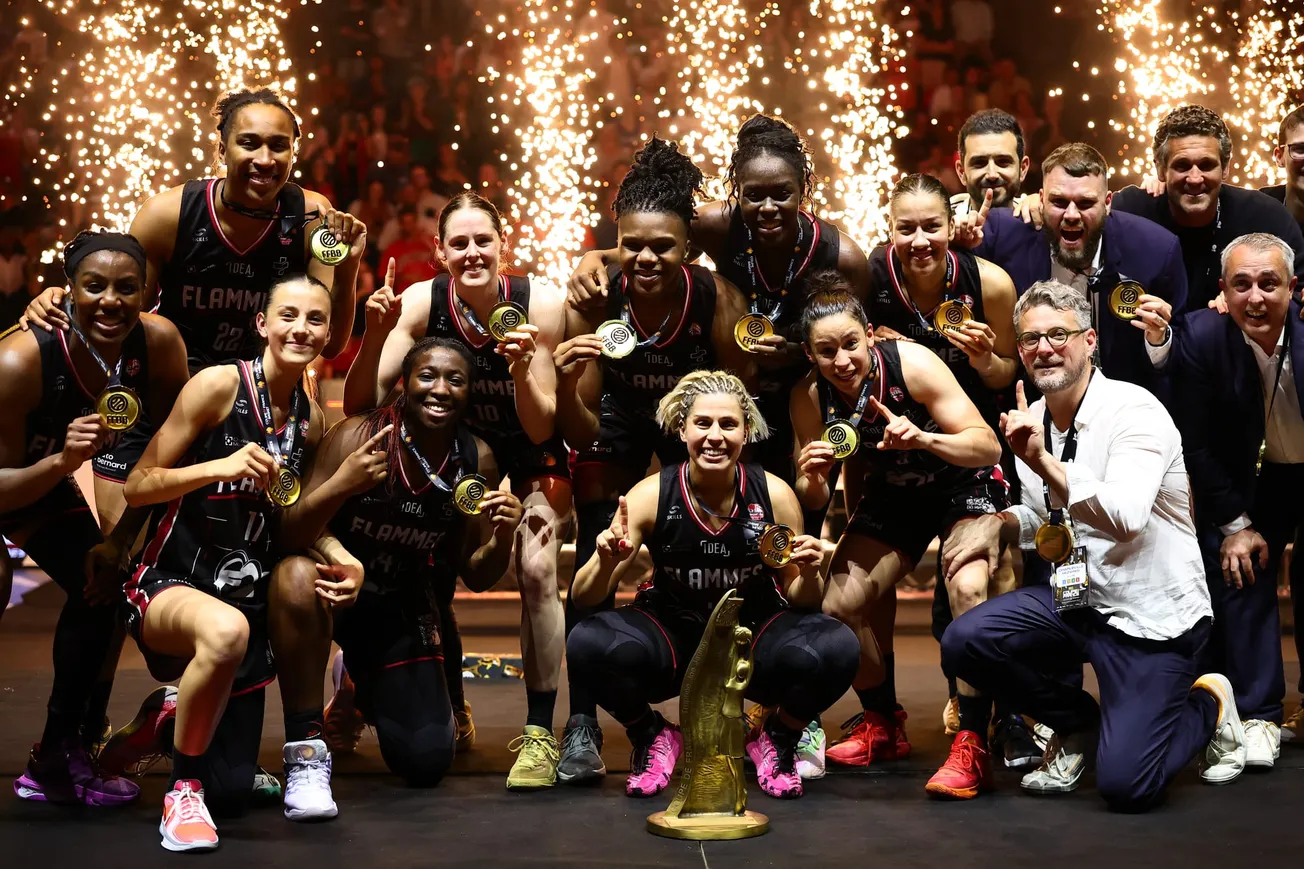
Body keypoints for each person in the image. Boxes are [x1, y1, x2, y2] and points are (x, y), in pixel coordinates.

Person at [940, 279, 1246, 811]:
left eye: (1058, 334)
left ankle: (1209, 703)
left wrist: (1045, 465)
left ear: (1090, 340)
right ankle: (1077, 725)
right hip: (1079, 599)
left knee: (1128, 787)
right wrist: (1003, 522)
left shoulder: (1135, 410)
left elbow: (1124, 519)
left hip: (1148, 614)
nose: (1045, 348)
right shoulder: (1031, 419)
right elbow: (1047, 518)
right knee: (965, 641)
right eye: (1031, 339)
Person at [341, 192, 569, 791]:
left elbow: (543, 426)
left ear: (503, 243)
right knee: (417, 566)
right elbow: (362, 406)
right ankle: (375, 688)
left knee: (540, 570)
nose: (472, 253)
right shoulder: (420, 302)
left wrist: (521, 371)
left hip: (523, 450)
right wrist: (373, 332)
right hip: (452, 450)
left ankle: (541, 731)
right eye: (459, 243)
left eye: (482, 241)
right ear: (439, 252)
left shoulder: (540, 302)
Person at [550, 137, 754, 782]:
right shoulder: (595, 294)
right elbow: (581, 429)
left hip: (691, 421)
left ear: (688, 247)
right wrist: (565, 380)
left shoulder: (718, 301)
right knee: (592, 537)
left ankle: (734, 706)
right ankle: (582, 723)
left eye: (661, 246)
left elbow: (736, 404)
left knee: (722, 531)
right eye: (629, 244)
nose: (643, 257)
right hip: (617, 417)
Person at [120, 275, 340, 851]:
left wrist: (345, 559)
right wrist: (216, 468)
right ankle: (180, 793)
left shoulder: (311, 419)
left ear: (328, 333)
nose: (301, 328)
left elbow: (298, 523)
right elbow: (139, 486)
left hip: (243, 603)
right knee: (226, 630)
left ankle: (170, 720)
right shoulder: (219, 385)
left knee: (236, 791)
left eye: (315, 319)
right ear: (262, 325)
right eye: (287, 315)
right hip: (173, 583)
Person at [566, 371, 859, 799]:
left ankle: (776, 738)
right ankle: (652, 735)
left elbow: (803, 600)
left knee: (839, 646)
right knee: (585, 643)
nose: (714, 436)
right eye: (703, 423)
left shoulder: (774, 495)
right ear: (682, 429)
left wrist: (810, 572)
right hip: (675, 643)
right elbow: (583, 596)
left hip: (751, 644)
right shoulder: (650, 495)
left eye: (728, 424)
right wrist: (604, 561)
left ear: (747, 431)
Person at [568, 115, 870, 514]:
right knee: (735, 504)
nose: (767, 208)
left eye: (782, 194)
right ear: (737, 192)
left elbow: (854, 338)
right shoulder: (714, 225)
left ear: (803, 191)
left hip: (806, 388)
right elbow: (656, 239)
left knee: (799, 504)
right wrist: (594, 256)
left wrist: (798, 352)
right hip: (737, 382)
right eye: (752, 195)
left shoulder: (842, 258)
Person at [790, 284, 1007, 799]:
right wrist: (815, 476)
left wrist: (925, 437)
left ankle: (973, 740)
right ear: (809, 354)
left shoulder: (914, 364)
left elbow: (987, 446)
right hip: (896, 495)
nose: (841, 361)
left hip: (960, 484)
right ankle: (883, 723)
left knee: (968, 587)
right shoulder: (808, 397)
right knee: (838, 606)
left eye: (849, 344)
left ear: (868, 335)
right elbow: (810, 490)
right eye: (826, 351)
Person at [278, 337, 524, 786]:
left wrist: (505, 534)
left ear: (471, 391)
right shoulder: (355, 435)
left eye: (456, 380)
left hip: (398, 607)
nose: (440, 389)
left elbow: (477, 574)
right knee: (292, 579)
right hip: (333, 593)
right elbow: (291, 529)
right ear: (404, 383)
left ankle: (354, 683)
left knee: (427, 761)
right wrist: (342, 485)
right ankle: (307, 743)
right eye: (427, 376)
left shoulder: (476, 458)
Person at [1, 231, 187, 806]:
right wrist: (63, 459)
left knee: (100, 581)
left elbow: (177, 446)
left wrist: (123, 540)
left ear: (147, 293)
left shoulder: (157, 345)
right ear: (67, 290)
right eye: (94, 286)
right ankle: (63, 752)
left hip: (39, 481)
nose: (111, 300)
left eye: (126, 288)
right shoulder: (20, 358)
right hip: (12, 479)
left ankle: (64, 751)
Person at [864, 174, 1035, 767]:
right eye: (905, 228)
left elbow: (1010, 376)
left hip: (970, 455)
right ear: (889, 229)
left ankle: (1002, 718)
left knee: (979, 579)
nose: (919, 240)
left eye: (931, 226)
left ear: (950, 225)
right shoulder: (870, 280)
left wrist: (987, 358)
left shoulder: (988, 282)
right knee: (861, 592)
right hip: (897, 457)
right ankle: (885, 717)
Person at [24, 86, 367, 373]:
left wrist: (349, 265)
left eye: (278, 146)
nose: (265, 160)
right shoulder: (167, 214)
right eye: (248, 143)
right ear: (221, 150)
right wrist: (63, 301)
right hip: (171, 381)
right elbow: (121, 320)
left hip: (258, 389)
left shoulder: (312, 217)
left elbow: (332, 345)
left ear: (294, 153)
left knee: (315, 424)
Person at [1174, 233, 1302, 770]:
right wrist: (1237, 522)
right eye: (1241, 284)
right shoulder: (1201, 338)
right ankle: (1256, 715)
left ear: (1292, 289)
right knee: (1243, 565)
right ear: (1221, 292)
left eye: (1269, 284)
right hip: (1245, 482)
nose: (1255, 297)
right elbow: (1194, 443)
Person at [959, 143, 1186, 399]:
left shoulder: (1156, 250)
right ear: (1041, 199)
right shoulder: (1001, 234)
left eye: (1085, 203)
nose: (1071, 215)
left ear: (1108, 203)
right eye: (1058, 202)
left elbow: (1178, 362)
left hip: (1122, 403)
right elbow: (948, 276)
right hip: (1029, 403)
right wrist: (956, 238)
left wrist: (1159, 340)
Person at [1109, 104, 1304, 310]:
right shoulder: (1129, 211)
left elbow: (1298, 294)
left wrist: (1247, 304)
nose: (1194, 179)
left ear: (1226, 168)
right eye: (1182, 166)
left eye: (1206, 165)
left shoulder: (1266, 216)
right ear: (1160, 168)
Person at [952, 109, 1029, 214]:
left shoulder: (1043, 220)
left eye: (1003, 162)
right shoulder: (942, 223)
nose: (992, 175)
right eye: (979, 163)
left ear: (1023, 169)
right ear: (962, 172)